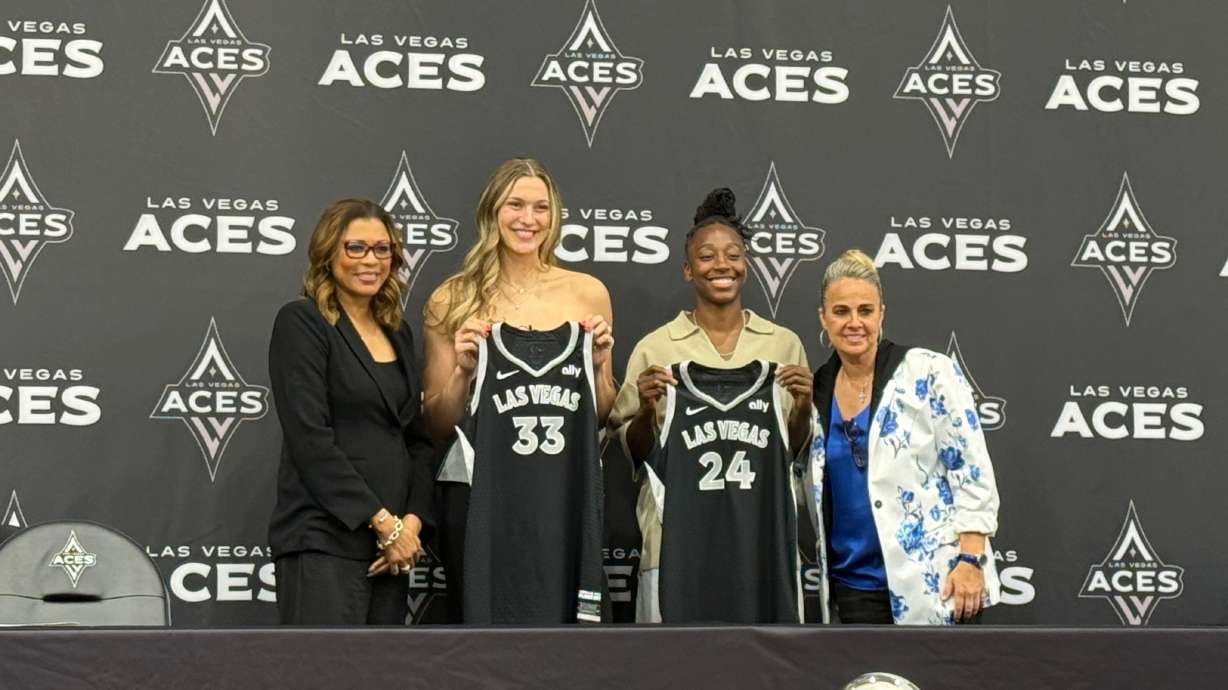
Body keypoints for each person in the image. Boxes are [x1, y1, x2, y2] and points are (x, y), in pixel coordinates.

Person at [422, 158, 614, 623]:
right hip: (481, 495)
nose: (528, 219)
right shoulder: (452, 297)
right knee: (485, 634)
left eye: (541, 208)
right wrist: (463, 373)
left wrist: (599, 365)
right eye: (516, 205)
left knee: (569, 633)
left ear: (555, 216)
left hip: (562, 490)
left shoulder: (587, 292)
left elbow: (603, 412)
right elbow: (435, 423)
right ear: (492, 211)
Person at [608, 187, 813, 622]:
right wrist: (646, 410)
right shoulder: (656, 348)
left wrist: (801, 406)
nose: (722, 265)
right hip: (674, 545)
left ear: (747, 264)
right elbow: (636, 454)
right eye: (706, 256)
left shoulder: (783, 344)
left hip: (763, 544)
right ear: (687, 269)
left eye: (733, 255)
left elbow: (792, 451)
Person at [805, 248, 1001, 625]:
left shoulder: (928, 372)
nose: (854, 323)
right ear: (823, 318)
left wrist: (969, 560)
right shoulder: (818, 389)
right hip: (853, 589)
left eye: (865, 310)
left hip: (938, 584)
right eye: (841, 311)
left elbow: (972, 474)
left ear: (882, 314)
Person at [267, 198, 434, 625]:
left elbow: (415, 438)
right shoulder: (302, 322)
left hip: (391, 553)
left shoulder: (398, 331)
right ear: (328, 254)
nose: (371, 260)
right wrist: (383, 525)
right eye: (355, 248)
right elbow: (310, 440)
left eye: (382, 250)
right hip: (324, 541)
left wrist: (409, 527)